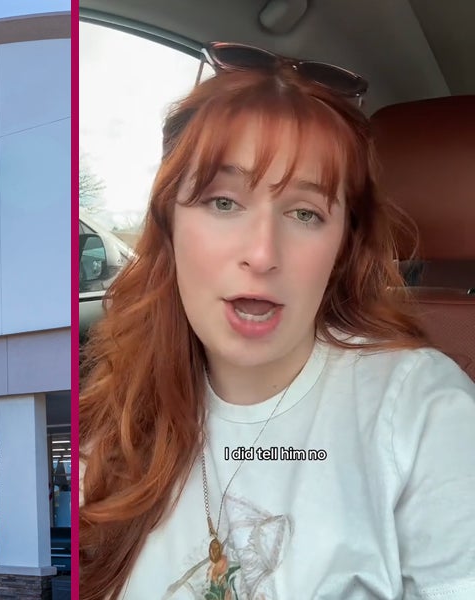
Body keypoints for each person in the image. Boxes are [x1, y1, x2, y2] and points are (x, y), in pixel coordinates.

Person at [78, 42, 475, 599]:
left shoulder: (424, 413)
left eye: (305, 213)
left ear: (342, 246)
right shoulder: (115, 414)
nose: (263, 254)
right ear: (170, 227)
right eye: (223, 202)